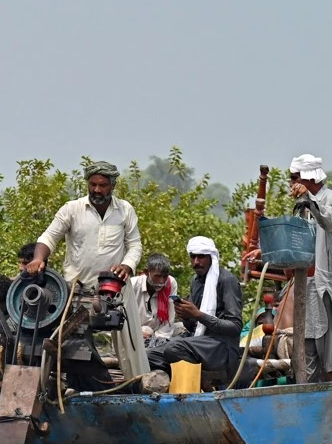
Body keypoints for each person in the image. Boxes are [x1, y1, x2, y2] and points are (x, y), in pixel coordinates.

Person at [25, 161, 142, 391]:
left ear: (112, 186)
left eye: (103, 185)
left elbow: (135, 245)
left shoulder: (125, 210)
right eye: (93, 184)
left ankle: (136, 387)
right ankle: (55, 387)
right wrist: (38, 259)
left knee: (131, 344)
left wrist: (127, 266)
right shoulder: (72, 208)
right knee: (67, 340)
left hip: (115, 290)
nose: (97, 190)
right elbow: (49, 237)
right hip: (75, 291)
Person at [288, 153, 332, 382]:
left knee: (328, 348)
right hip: (304, 283)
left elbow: (329, 222)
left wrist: (310, 201)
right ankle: (306, 396)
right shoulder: (303, 205)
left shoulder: (330, 199)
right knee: (306, 344)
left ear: (308, 179)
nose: (291, 184)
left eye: (295, 178)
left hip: (323, 284)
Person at [146, 236, 244, 380]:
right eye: (193, 257)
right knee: (149, 355)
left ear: (211, 257)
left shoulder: (226, 280)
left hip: (221, 346)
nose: (196, 262)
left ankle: (200, 382)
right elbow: (193, 327)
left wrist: (198, 315)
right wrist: (186, 316)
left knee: (174, 348)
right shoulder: (195, 281)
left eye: (201, 257)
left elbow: (235, 327)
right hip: (198, 342)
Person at [126, 252, 184, 348]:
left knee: (182, 328)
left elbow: (169, 319)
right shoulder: (132, 285)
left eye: (165, 276)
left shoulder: (170, 283)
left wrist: (159, 340)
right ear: (146, 272)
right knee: (146, 330)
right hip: (135, 332)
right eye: (157, 276)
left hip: (157, 333)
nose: (161, 281)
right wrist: (136, 332)